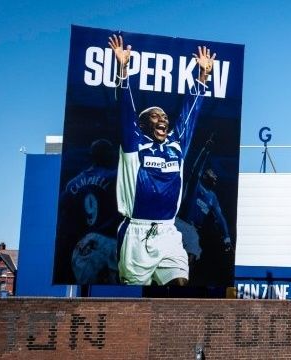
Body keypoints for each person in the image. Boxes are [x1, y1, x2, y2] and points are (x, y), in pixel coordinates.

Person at [109, 34, 215, 286]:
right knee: (135, 300)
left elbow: (191, 113)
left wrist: (203, 76)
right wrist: (122, 69)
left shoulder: (176, 146)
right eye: (156, 116)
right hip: (137, 232)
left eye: (165, 117)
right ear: (143, 124)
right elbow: (125, 110)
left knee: (180, 284)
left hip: (168, 231)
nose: (163, 119)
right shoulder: (134, 144)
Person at [60, 139, 121, 283]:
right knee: (117, 295)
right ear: (109, 155)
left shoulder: (72, 184)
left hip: (84, 246)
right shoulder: (116, 176)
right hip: (110, 240)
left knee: (88, 294)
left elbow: (64, 221)